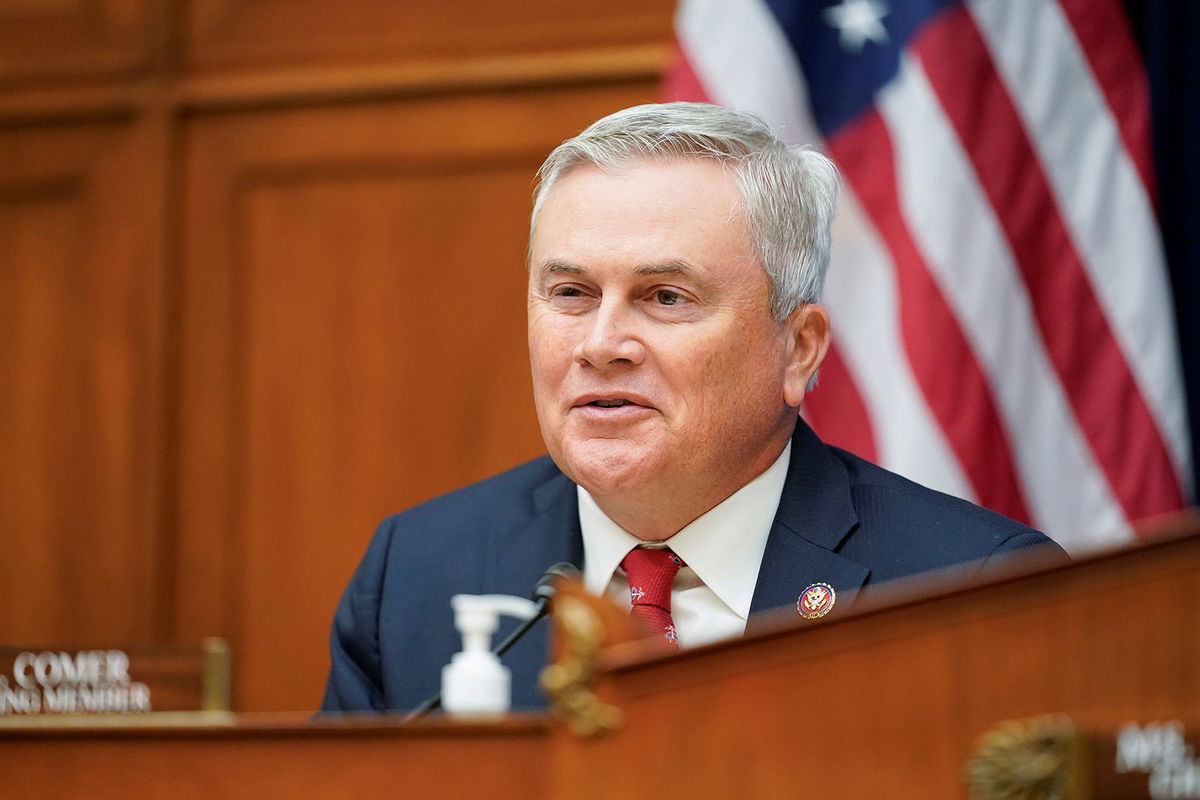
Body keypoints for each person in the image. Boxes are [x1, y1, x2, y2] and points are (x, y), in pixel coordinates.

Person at [321, 102, 1064, 713]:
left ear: (798, 348)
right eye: (571, 294)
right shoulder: (416, 574)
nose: (602, 343)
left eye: (665, 297)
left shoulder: (973, 592)